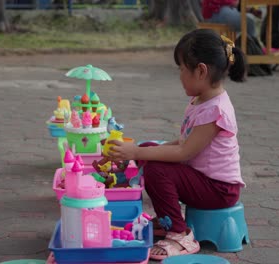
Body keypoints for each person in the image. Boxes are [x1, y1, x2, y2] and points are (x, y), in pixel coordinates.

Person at [108, 29, 246, 260]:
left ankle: (179, 234)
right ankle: (164, 218)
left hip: (219, 189)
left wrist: (137, 151)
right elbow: (184, 142)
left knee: (156, 169)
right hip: (204, 179)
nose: (180, 75)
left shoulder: (215, 110)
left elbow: (183, 152)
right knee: (151, 148)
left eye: (181, 69)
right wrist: (141, 151)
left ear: (200, 71)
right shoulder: (201, 100)